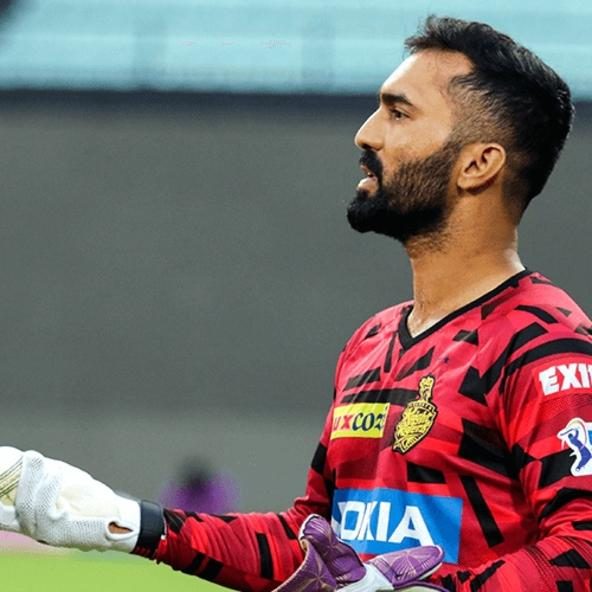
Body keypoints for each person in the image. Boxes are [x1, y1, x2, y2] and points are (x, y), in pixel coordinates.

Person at [1, 15, 591, 592]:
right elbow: (311, 547)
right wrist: (123, 520)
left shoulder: (546, 346)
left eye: (398, 112)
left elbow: (584, 547)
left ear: (478, 164)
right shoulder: (372, 343)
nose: (366, 134)